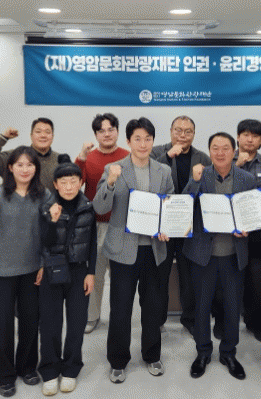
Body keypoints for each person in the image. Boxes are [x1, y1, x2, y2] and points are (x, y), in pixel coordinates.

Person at [93, 117, 174, 383]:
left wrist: (166, 226)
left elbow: (169, 205)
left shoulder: (163, 170)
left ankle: (152, 355)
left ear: (153, 141)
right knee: (120, 309)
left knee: (152, 308)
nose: (143, 144)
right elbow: (100, 207)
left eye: (148, 139)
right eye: (137, 138)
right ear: (128, 141)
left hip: (154, 250)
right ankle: (118, 361)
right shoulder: (113, 168)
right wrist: (111, 182)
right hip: (122, 250)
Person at [0, 146, 53, 397]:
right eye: (19, 164)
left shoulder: (44, 195)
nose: (25, 169)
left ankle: (27, 367)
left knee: (30, 321)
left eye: (30, 165)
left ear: (36, 168)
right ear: (10, 167)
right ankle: (5, 376)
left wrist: (44, 263)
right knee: (2, 325)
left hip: (32, 269)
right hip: (0, 271)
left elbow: (49, 234)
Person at [183, 132, 256, 380]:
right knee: (201, 307)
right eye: (215, 147)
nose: (220, 152)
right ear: (209, 151)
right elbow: (184, 204)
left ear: (234, 151)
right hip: (203, 255)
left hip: (234, 254)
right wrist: (194, 182)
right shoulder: (200, 174)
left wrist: (248, 227)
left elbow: (252, 211)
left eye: (226, 148)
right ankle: (203, 352)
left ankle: (228, 353)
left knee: (232, 307)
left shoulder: (246, 179)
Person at [37, 158, 97, 395]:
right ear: (55, 184)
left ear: (81, 182)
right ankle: (50, 371)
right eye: (64, 182)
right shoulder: (46, 207)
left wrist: (91, 272)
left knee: (77, 323)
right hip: (52, 270)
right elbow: (45, 241)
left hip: (79, 271)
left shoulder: (88, 207)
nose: (69, 186)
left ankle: (71, 369)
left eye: (73, 181)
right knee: (50, 323)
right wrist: (52, 221)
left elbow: (92, 243)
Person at [151, 115, 211, 335]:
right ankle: (157, 319)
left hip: (190, 227)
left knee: (189, 276)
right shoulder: (157, 153)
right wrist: (168, 157)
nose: (182, 135)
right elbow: (149, 176)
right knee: (160, 274)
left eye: (188, 131)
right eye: (178, 130)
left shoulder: (202, 157)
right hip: (162, 226)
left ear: (194, 134)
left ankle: (190, 318)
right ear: (170, 131)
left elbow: (208, 190)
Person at [74, 113, 129, 334]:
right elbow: (74, 183)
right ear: (96, 134)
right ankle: (92, 316)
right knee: (93, 275)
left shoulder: (127, 157)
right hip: (94, 225)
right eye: (101, 131)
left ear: (117, 132)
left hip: (121, 226)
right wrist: (81, 157)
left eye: (111, 129)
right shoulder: (88, 158)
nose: (106, 134)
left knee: (120, 278)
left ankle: (119, 318)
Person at [228, 119, 261, 343]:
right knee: (227, 280)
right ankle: (225, 323)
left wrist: (258, 221)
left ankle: (255, 323)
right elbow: (216, 190)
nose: (250, 139)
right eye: (246, 135)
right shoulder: (225, 160)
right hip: (228, 232)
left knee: (256, 281)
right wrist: (236, 166)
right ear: (238, 137)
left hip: (256, 233)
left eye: (255, 136)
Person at [0, 118, 62, 189]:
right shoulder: (15, 156)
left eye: (47, 132)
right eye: (38, 132)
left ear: (52, 136)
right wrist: (3, 137)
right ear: (31, 136)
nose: (43, 135)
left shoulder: (61, 160)